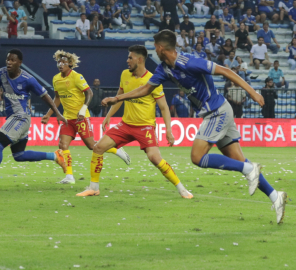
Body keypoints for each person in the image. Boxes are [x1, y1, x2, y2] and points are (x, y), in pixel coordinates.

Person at [102, 29, 287, 224]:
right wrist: (117, 98)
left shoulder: (189, 62)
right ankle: (276, 197)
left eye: (155, 47)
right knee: (238, 160)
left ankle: (250, 169)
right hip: (216, 113)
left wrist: (251, 92)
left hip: (217, 112)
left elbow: (225, 70)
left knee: (198, 157)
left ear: (160, 48)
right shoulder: (164, 68)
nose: (154, 51)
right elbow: (145, 89)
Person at [77, 45, 192, 198]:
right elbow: (119, 97)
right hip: (125, 125)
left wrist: (169, 131)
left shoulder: (153, 80)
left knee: (154, 158)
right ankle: (93, 188)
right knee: (98, 148)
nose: (127, 61)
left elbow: (164, 107)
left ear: (140, 59)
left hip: (145, 127)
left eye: (130, 58)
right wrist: (108, 116)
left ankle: (182, 189)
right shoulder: (125, 74)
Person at [0, 49, 68, 190]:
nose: (9, 62)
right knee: (19, 155)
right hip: (14, 119)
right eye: (8, 59)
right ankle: (55, 156)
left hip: (21, 118)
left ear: (20, 63)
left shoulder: (28, 79)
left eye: (12, 60)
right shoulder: (0, 74)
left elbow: (45, 95)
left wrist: (56, 113)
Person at [41, 51, 130, 184]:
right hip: (67, 119)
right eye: (59, 62)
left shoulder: (77, 77)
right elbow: (57, 98)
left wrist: (83, 109)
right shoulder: (56, 79)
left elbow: (89, 93)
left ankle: (116, 150)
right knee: (63, 145)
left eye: (64, 62)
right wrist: (49, 114)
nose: (60, 64)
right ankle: (69, 177)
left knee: (91, 146)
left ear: (70, 64)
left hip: (81, 118)